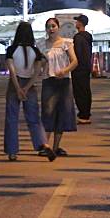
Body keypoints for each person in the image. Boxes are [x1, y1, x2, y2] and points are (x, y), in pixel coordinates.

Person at [4, 22, 56, 162]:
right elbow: (37, 72)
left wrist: (18, 88)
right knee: (34, 119)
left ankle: (12, 151)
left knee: (12, 118)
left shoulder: (12, 49)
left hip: (15, 84)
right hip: (30, 84)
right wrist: (27, 88)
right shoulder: (35, 51)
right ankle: (43, 143)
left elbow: (12, 71)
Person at [38, 17, 78, 157]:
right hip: (49, 81)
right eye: (48, 26)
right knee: (47, 112)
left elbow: (74, 61)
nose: (51, 29)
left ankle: (56, 147)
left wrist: (65, 70)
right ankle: (45, 145)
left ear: (58, 27)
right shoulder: (41, 45)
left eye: (53, 26)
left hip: (64, 82)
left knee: (63, 112)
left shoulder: (66, 43)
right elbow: (39, 63)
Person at [71, 15, 93, 125]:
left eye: (77, 21)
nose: (76, 23)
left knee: (79, 92)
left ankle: (83, 115)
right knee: (86, 90)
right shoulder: (88, 36)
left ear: (80, 23)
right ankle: (86, 114)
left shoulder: (78, 37)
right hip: (86, 67)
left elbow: (77, 53)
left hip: (78, 68)